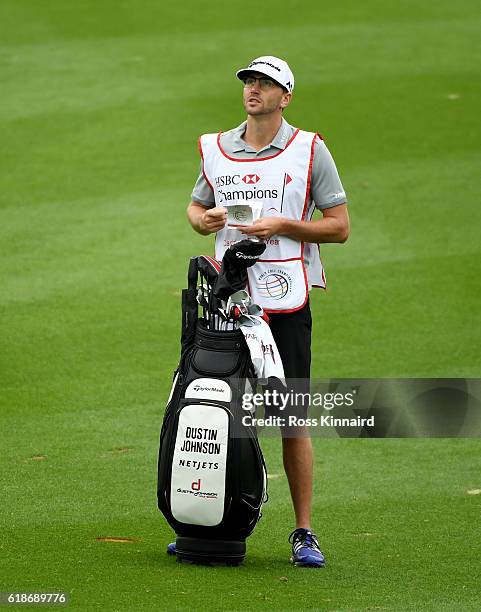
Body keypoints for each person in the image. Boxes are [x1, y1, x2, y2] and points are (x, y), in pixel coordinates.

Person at [168, 55, 349, 567]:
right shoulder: (216, 148)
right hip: (228, 302)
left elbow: (339, 225)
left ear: (285, 96)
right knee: (219, 411)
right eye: (249, 81)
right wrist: (204, 222)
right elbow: (195, 207)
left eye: (265, 84)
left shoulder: (309, 150)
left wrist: (285, 226)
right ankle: (207, 519)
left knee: (291, 417)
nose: (253, 90)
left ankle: (304, 532)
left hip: (285, 300)